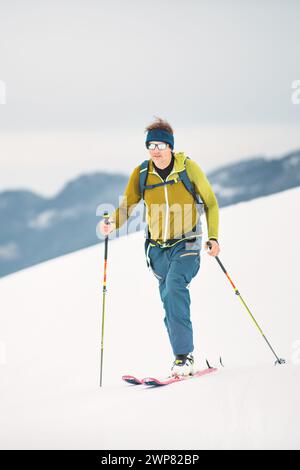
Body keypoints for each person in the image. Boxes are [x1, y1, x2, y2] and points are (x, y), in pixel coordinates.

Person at [100, 117, 220, 376]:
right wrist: (112, 221)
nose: (155, 150)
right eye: (151, 145)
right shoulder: (143, 174)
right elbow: (127, 205)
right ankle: (182, 355)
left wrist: (214, 237)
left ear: (170, 147)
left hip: (187, 242)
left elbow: (210, 202)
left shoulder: (188, 169)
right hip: (156, 249)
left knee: (176, 285)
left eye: (161, 145)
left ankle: (183, 357)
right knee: (169, 299)